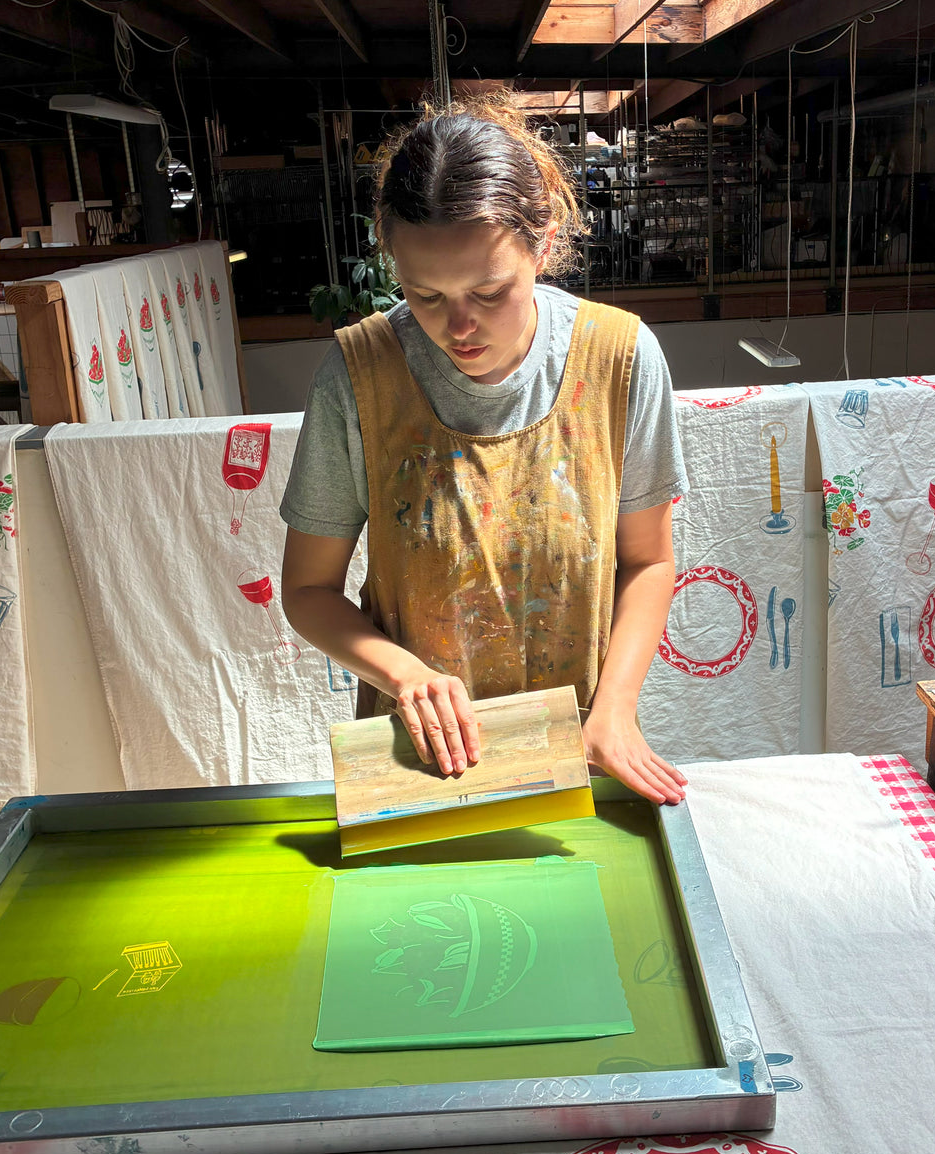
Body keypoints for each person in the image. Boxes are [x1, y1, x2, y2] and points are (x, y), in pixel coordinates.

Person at [279, 93, 689, 805]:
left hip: (579, 746)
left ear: (543, 244)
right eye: (425, 294)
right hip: (421, 766)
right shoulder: (360, 376)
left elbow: (648, 560)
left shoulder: (619, 359)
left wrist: (614, 710)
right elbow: (309, 591)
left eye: (489, 290)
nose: (458, 326)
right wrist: (406, 676)